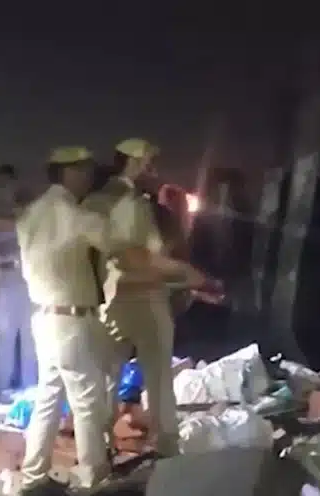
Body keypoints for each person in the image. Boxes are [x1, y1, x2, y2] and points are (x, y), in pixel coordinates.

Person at [83, 139, 220, 457]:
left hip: (109, 301)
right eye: (148, 162)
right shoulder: (131, 203)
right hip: (144, 298)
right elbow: (143, 258)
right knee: (159, 381)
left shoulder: (93, 203)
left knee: (107, 378)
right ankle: (167, 451)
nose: (153, 169)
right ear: (132, 161)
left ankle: (99, 451)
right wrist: (193, 276)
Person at [0, 164, 36, 401]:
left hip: (29, 277)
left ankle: (30, 387)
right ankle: (3, 388)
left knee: (29, 334)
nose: (3, 189)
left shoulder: (31, 212)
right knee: (6, 334)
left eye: (6, 183)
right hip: (3, 277)